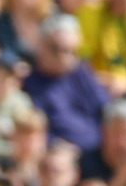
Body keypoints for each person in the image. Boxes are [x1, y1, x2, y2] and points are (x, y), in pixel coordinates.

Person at [22, 14, 112, 154]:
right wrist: (59, 148)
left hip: (101, 150)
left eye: (71, 51)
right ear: (41, 45)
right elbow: (38, 131)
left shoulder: (81, 73)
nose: (65, 57)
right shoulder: (30, 84)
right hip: (62, 157)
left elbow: (106, 109)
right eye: (57, 49)